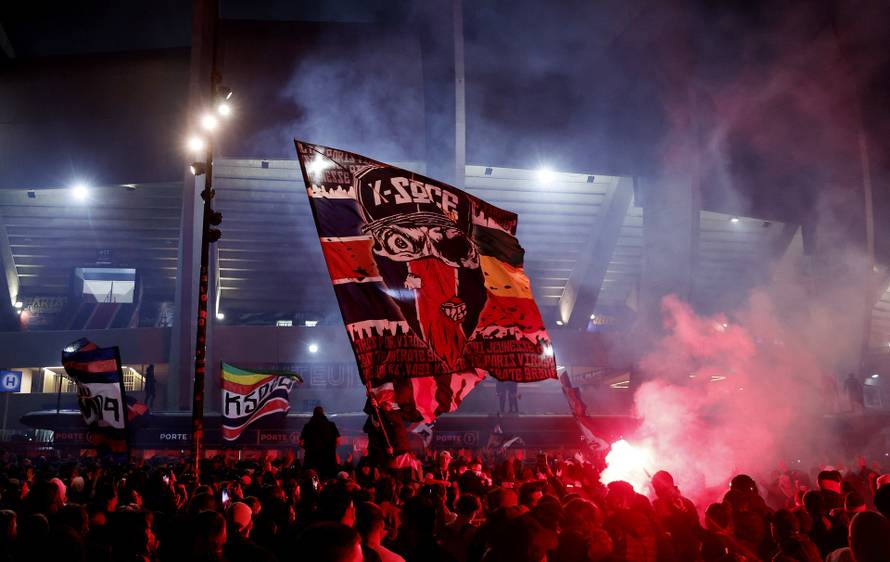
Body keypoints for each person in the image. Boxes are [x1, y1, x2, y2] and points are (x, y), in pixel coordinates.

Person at [300, 406, 341, 478]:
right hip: (328, 461)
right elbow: (338, 441)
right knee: (329, 482)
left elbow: (301, 443)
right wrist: (331, 449)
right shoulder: (331, 425)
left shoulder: (307, 426)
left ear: (313, 414)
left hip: (311, 461)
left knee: (310, 481)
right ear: (323, 413)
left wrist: (308, 448)